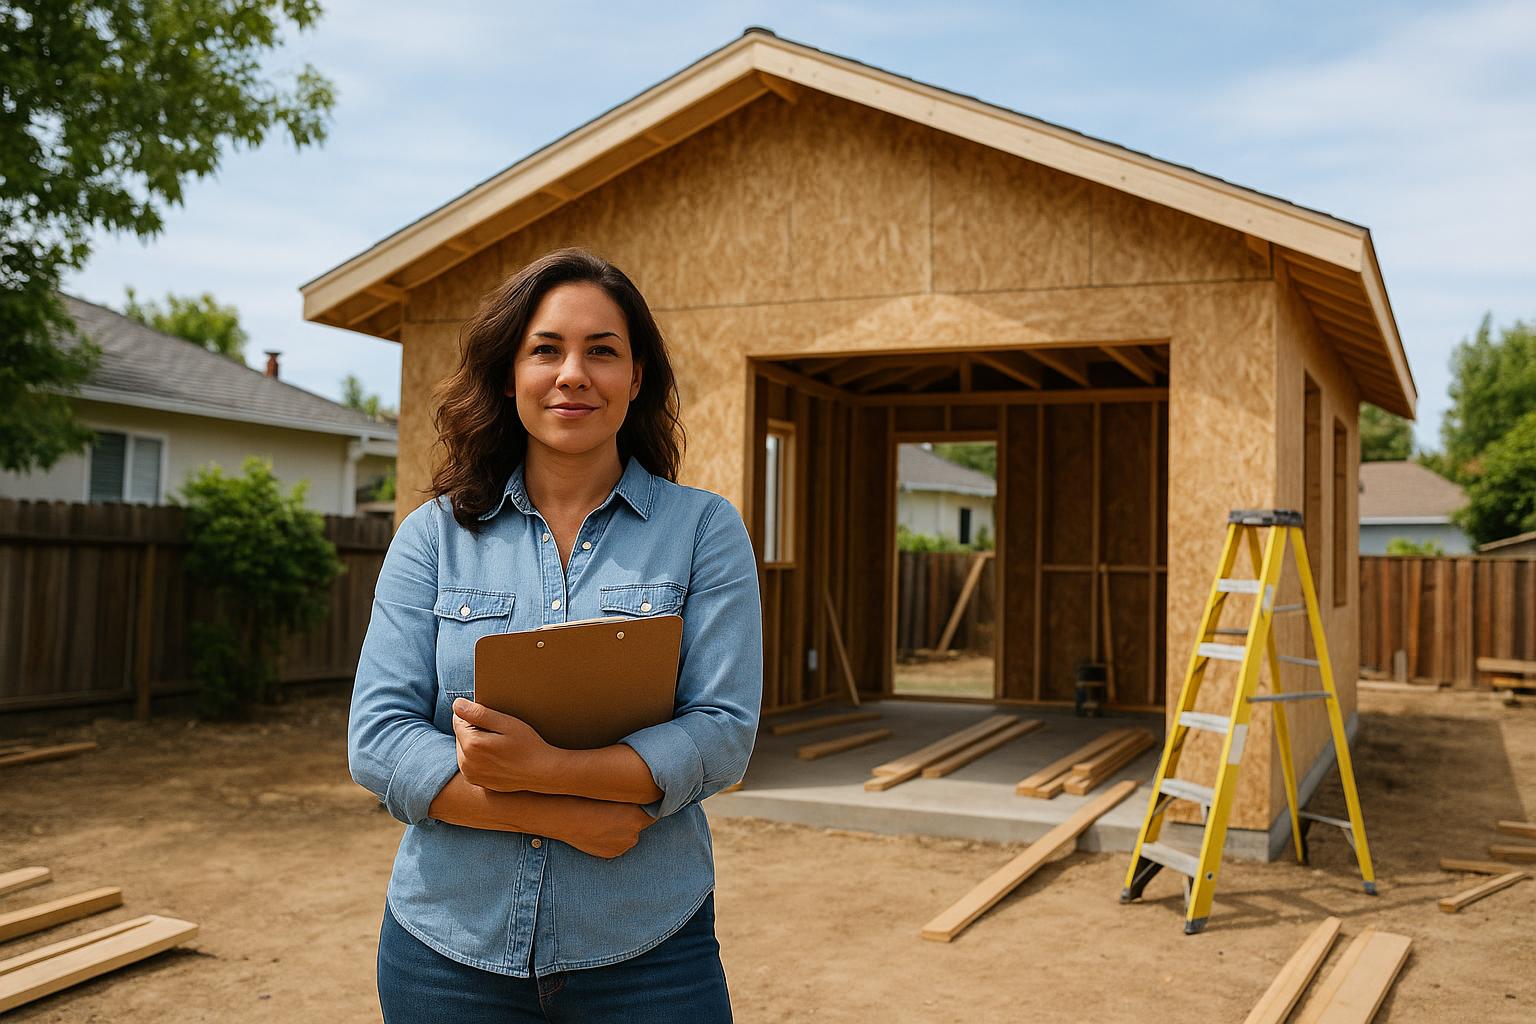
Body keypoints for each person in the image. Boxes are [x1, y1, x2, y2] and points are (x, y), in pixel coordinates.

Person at [347, 247, 763, 1023]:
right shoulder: (431, 538)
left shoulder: (703, 530)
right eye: (547, 349)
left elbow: (723, 732)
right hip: (446, 951)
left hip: (649, 950)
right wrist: (560, 810)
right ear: (511, 374)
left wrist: (546, 764)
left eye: (602, 351)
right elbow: (378, 740)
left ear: (636, 378)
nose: (573, 373)